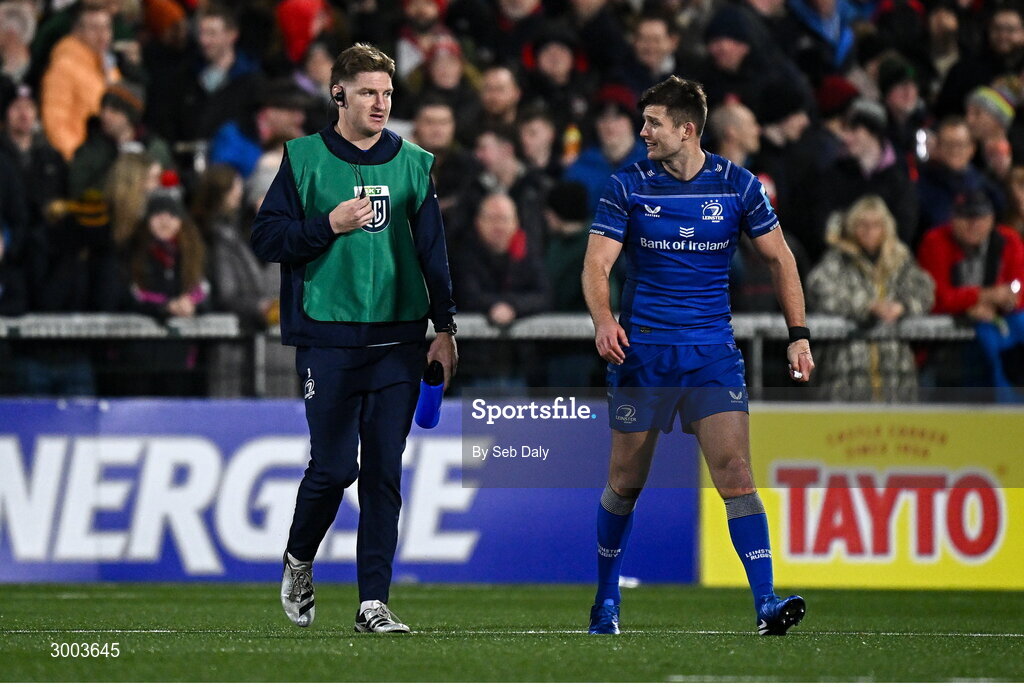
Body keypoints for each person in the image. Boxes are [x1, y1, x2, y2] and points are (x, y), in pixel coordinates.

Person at [582, 76, 813, 635]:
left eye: (653, 123)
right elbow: (596, 265)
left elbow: (781, 260)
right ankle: (606, 599)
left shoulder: (737, 186)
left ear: (687, 129)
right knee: (626, 482)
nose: (644, 133)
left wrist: (799, 333)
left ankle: (766, 604)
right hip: (643, 356)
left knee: (735, 473)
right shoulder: (627, 185)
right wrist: (605, 320)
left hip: (711, 353)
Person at [251, 43, 457, 633]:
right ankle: (298, 557)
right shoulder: (305, 159)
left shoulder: (415, 163)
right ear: (338, 92)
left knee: (384, 472)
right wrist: (328, 225)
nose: (380, 103)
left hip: (398, 341)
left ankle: (374, 603)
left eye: (388, 93)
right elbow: (266, 240)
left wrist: (445, 330)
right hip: (329, 337)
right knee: (335, 468)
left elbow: (434, 256)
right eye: (368, 91)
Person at [806, 195, 935, 401]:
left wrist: (902, 307)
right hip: (844, 370)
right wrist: (867, 307)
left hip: (895, 371)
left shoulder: (900, 260)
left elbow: (925, 290)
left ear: (886, 227)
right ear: (851, 226)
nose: (869, 231)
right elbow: (818, 289)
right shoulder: (837, 260)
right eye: (862, 224)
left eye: (876, 225)